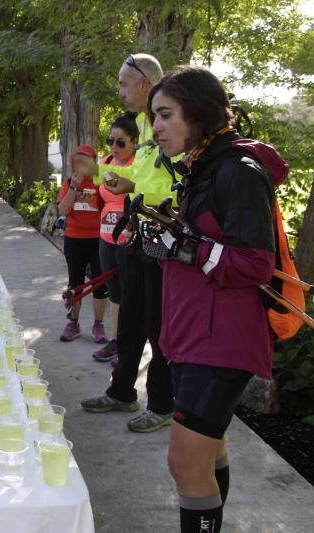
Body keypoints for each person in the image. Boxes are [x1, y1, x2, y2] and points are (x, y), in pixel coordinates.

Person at [148, 65, 277, 533]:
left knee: (185, 463)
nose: (156, 127)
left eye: (165, 115)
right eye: (153, 117)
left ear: (198, 113)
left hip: (220, 341)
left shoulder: (238, 172)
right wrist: (169, 241)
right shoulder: (203, 167)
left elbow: (254, 264)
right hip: (192, 334)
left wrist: (185, 247)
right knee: (209, 450)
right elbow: (206, 249)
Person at [81, 53, 179, 433]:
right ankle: (122, 391)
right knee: (133, 319)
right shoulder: (143, 123)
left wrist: (134, 185)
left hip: (162, 242)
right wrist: (103, 172)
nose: (119, 91)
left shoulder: (172, 123)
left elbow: (177, 187)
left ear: (144, 82)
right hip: (138, 237)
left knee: (157, 324)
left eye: (124, 84)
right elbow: (136, 177)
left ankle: (162, 404)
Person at [92, 114, 138, 363]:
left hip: (129, 239)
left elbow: (117, 183)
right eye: (111, 141)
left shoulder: (138, 163)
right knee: (114, 293)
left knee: (131, 293)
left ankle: (128, 346)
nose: (114, 147)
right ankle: (116, 341)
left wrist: (105, 173)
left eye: (121, 142)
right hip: (106, 236)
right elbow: (103, 185)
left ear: (134, 142)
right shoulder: (107, 160)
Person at [57, 144, 108, 343]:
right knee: (75, 283)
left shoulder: (101, 182)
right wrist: (73, 189)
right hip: (74, 240)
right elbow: (63, 211)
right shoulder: (69, 182)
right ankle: (73, 323)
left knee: (100, 285)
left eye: (85, 160)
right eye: (78, 160)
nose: (81, 164)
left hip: (99, 239)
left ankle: (98, 325)